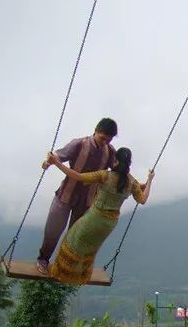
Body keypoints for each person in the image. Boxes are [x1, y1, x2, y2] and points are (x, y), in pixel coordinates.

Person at [45, 147, 153, 284]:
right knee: (90, 248)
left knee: (72, 239)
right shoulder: (132, 183)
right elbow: (142, 199)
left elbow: (77, 176)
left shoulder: (105, 175)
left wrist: (57, 163)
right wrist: (150, 180)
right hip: (109, 224)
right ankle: (79, 276)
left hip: (95, 217)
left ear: (115, 160)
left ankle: (61, 273)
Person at [37, 118, 118, 274]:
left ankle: (63, 266)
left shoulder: (109, 151)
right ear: (96, 131)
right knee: (53, 230)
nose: (105, 142)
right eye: (103, 138)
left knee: (75, 236)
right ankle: (43, 259)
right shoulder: (79, 144)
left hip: (86, 201)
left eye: (109, 140)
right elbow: (58, 156)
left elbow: (116, 170)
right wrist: (47, 162)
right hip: (65, 196)